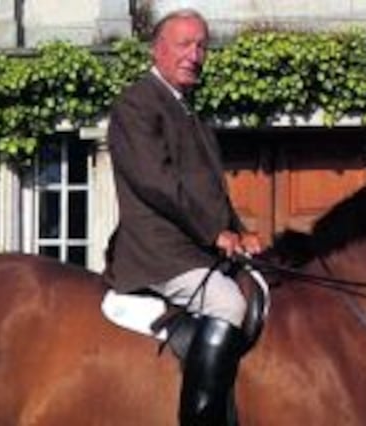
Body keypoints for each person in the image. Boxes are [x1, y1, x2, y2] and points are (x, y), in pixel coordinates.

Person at [102, 8, 261, 426]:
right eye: (184, 44)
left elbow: (211, 194)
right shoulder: (137, 104)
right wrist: (215, 233)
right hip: (160, 251)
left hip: (196, 249)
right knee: (227, 304)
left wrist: (240, 233)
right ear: (158, 49)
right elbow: (157, 183)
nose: (195, 54)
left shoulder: (191, 113)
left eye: (201, 46)